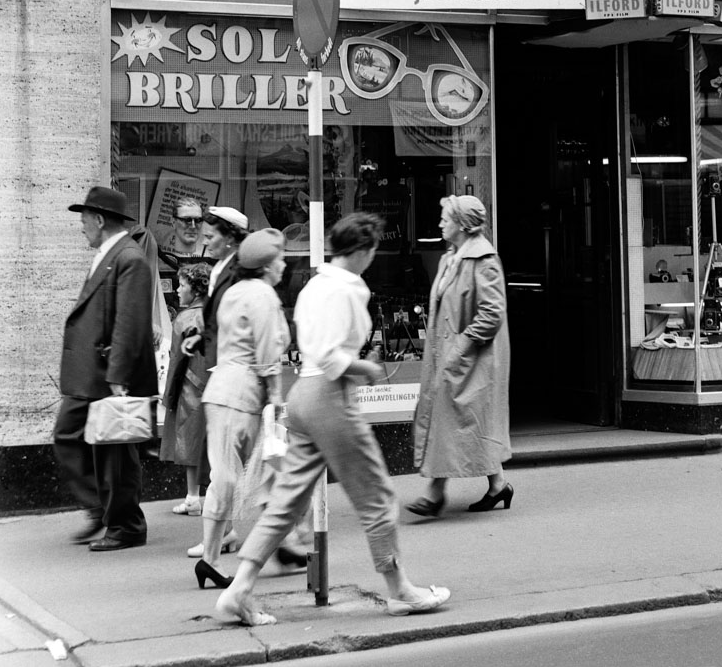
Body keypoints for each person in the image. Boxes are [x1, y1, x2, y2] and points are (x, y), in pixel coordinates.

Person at [214, 213, 450, 626]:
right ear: (361, 251)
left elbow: (313, 347)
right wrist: (367, 370)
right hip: (331, 397)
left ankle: (239, 588)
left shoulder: (315, 283)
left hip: (302, 393)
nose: (372, 259)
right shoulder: (347, 288)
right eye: (372, 251)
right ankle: (400, 590)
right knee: (376, 494)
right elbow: (331, 356)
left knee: (287, 500)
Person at [54, 187, 156, 551]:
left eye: (84, 220)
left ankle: (125, 524)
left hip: (108, 375)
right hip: (92, 373)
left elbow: (129, 322)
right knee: (72, 437)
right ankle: (102, 508)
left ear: (99, 220)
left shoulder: (129, 258)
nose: (81, 227)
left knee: (115, 456)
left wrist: (117, 376)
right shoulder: (110, 254)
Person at [193, 228, 290, 590]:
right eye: (279, 259)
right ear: (266, 265)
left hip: (223, 391)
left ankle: (281, 545)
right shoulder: (263, 295)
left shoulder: (233, 291)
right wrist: (277, 398)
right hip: (248, 395)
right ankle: (214, 560)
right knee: (241, 475)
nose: (283, 265)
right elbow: (267, 353)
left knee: (257, 472)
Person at [408, 195, 512, 516]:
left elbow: (493, 312)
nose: (440, 223)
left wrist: (462, 345)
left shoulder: (484, 261)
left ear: (464, 226)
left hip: (470, 358)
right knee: (459, 420)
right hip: (448, 354)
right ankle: (497, 486)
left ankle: (435, 492)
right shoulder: (449, 258)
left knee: (454, 417)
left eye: (445, 218)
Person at [183, 204, 249, 560]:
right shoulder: (222, 267)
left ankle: (291, 533)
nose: (206, 244)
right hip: (220, 368)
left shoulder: (239, 272)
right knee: (226, 462)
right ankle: (225, 533)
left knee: (230, 462)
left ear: (231, 238)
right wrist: (198, 336)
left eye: (211, 237)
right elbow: (215, 316)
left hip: (233, 372)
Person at [160, 263, 211, 517]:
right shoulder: (215, 313)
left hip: (190, 387)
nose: (178, 291)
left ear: (196, 290)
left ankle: (193, 497)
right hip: (214, 385)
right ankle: (209, 495)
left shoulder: (184, 318)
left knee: (188, 444)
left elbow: (176, 361)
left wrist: (168, 395)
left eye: (182, 286)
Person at [160, 197, 209, 263]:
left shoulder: (212, 256)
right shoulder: (161, 260)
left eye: (198, 220)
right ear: (173, 222)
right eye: (187, 220)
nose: (193, 226)